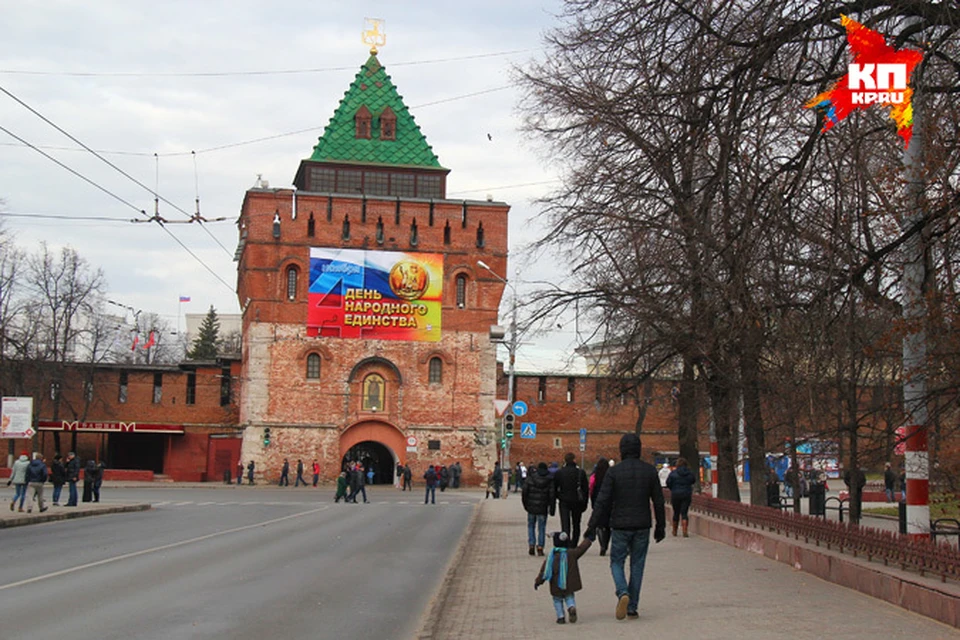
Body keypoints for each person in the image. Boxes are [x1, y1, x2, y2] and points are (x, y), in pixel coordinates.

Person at [585, 433, 666, 621]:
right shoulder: (649, 471)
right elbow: (659, 501)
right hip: (642, 524)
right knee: (637, 564)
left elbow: (602, 501)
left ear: (622, 450)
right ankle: (632, 607)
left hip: (620, 525)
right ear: (638, 449)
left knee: (616, 562)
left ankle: (622, 592)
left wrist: (591, 526)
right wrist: (660, 527)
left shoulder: (614, 472)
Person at [534, 531, 593, 625]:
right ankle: (571, 607)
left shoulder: (551, 558)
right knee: (569, 597)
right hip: (569, 585)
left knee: (557, 600)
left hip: (555, 585)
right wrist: (588, 540)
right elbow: (581, 549)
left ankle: (560, 617)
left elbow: (543, 572)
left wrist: (538, 582)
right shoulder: (571, 554)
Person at [555, 452, 589, 545]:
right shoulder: (580, 472)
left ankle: (566, 542)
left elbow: (554, 488)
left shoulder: (560, 472)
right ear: (574, 460)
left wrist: (558, 496)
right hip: (577, 501)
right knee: (576, 524)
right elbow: (585, 489)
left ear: (565, 460)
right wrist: (585, 503)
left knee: (565, 524)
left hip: (564, 501)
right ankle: (574, 543)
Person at [522, 461, 556, 556]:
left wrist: (526, 504)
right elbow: (552, 495)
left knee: (531, 526)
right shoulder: (549, 480)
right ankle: (540, 547)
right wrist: (552, 508)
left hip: (531, 507)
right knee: (541, 527)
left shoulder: (531, 478)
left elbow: (525, 492)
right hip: (543, 507)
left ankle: (531, 544)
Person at [666, 457, 696, 537]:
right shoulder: (689, 473)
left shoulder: (673, 473)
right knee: (684, 512)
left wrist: (673, 489)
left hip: (675, 494)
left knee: (676, 512)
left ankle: (674, 531)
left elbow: (668, 483)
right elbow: (693, 481)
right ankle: (685, 531)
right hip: (686, 494)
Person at [589, 457, 611, 556]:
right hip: (609, 502)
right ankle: (605, 544)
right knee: (608, 525)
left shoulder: (595, 475)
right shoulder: (611, 475)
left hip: (598, 501)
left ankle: (602, 543)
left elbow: (591, 487)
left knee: (599, 524)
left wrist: (592, 500)